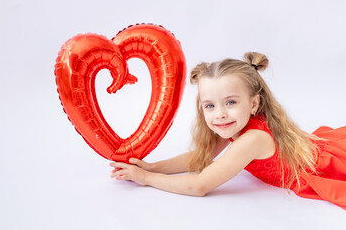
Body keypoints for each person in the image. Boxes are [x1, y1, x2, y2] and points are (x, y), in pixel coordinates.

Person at [110, 52, 346, 210]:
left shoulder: (253, 138)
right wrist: (152, 165)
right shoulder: (234, 124)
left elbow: (200, 186)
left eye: (231, 102)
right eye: (210, 106)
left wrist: (147, 179)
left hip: (326, 167)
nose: (220, 114)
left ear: (253, 103)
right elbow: (201, 158)